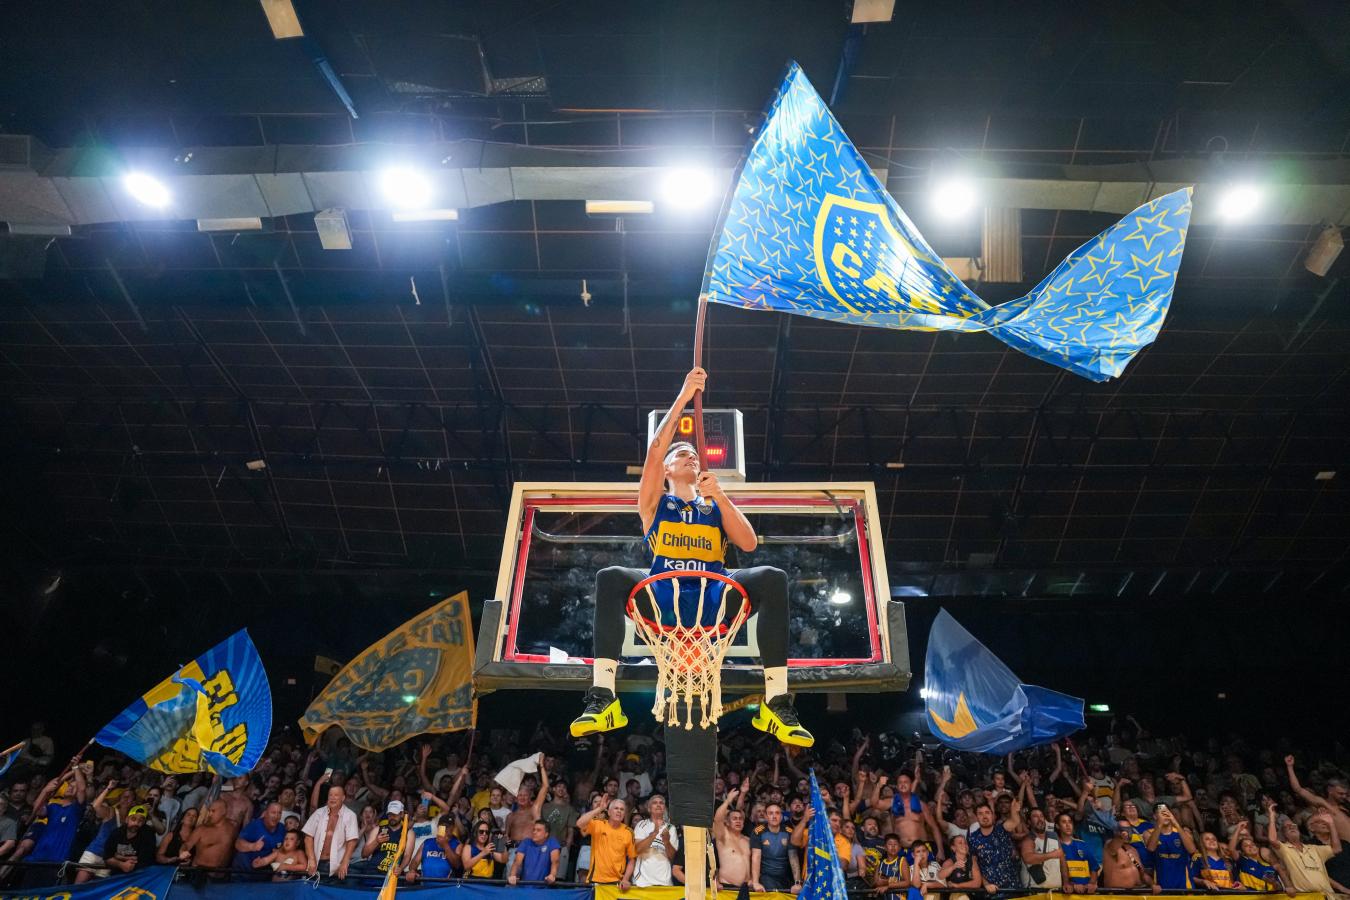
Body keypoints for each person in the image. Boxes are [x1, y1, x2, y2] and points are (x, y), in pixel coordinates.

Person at [569, 367, 812, 747]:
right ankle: (602, 697)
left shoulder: (714, 507)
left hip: (710, 601)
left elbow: (747, 543)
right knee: (611, 576)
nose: (691, 457)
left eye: (694, 455)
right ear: (667, 469)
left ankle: (776, 702)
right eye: (682, 454)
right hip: (663, 600)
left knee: (771, 577)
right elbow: (654, 450)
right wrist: (683, 397)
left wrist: (721, 496)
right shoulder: (654, 504)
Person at [1266, 798, 1343, 900]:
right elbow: (1272, 839)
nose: (1291, 827)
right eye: (1287, 827)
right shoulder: (1285, 849)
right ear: (1283, 835)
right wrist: (1272, 816)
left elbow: (1337, 849)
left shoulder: (1314, 849)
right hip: (1308, 897)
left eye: (1293, 825)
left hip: (1329, 896)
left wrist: (1331, 823)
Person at [301, 781, 360, 878]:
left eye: (336, 795)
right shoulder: (319, 813)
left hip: (336, 864)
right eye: (330, 795)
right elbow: (308, 837)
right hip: (315, 862)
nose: (332, 798)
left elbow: (352, 841)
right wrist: (311, 860)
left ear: (343, 798)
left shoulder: (350, 815)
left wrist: (344, 863)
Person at [577, 796, 635, 889]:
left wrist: (626, 878)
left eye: (622, 809)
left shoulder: (628, 832)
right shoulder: (598, 824)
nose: (619, 811)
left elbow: (632, 859)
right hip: (595, 880)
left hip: (617, 882)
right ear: (609, 812)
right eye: (616, 808)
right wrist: (599, 809)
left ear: (624, 814)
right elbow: (579, 823)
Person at [965, 798, 1022, 890]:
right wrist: (986, 884)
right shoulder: (973, 838)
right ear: (976, 817)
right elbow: (975, 865)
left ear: (992, 815)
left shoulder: (1001, 829)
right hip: (992, 891)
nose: (984, 816)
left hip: (1013, 887)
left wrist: (1014, 811)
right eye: (980, 813)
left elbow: (1014, 821)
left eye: (987, 812)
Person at [1145, 804, 1198, 890]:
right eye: (1161, 813)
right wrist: (1159, 824)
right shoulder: (1148, 833)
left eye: (1167, 812)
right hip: (1161, 884)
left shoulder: (1183, 832)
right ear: (1155, 816)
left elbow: (1192, 850)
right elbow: (1151, 848)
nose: (1165, 815)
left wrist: (1176, 823)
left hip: (1184, 884)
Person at [751, 801, 800, 893]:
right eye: (770, 813)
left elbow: (793, 857)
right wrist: (756, 882)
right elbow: (756, 857)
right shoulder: (758, 832)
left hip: (785, 877)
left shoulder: (789, 832)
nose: (774, 816)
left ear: (781, 816)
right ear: (766, 816)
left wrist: (797, 882)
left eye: (777, 813)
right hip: (766, 877)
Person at [632, 793, 678, 887]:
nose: (658, 805)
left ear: (664, 808)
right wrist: (654, 834)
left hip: (664, 880)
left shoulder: (671, 828)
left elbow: (672, 857)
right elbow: (637, 850)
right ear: (649, 808)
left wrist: (666, 842)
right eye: (655, 803)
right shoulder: (641, 825)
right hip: (642, 880)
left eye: (661, 803)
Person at [180, 800, 238, 871]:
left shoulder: (232, 828)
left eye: (213, 811)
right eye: (209, 811)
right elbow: (187, 844)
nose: (210, 814)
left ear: (223, 811)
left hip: (221, 874)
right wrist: (183, 851)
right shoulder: (202, 829)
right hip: (200, 871)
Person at [234, 802, 287, 875]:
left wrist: (279, 850)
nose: (276, 816)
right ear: (265, 813)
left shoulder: (282, 828)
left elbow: (285, 848)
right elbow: (238, 843)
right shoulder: (254, 825)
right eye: (273, 812)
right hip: (244, 871)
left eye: (279, 813)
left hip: (265, 872)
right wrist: (252, 846)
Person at [714, 789, 752, 889]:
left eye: (740, 819)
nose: (738, 821)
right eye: (734, 819)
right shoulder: (723, 837)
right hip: (727, 887)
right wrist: (727, 801)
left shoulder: (748, 840)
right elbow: (717, 819)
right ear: (727, 822)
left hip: (747, 888)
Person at [1053, 811, 1099, 894]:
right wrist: (1072, 884)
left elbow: (1094, 868)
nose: (1068, 825)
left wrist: (1092, 883)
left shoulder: (1082, 844)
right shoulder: (1054, 846)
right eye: (1064, 822)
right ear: (1057, 826)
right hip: (1065, 893)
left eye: (1070, 822)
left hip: (1086, 892)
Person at [103, 806, 158, 873]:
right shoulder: (117, 833)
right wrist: (121, 864)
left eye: (140, 821)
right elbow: (107, 858)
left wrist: (118, 857)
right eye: (133, 819)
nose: (136, 823)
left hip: (139, 875)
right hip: (116, 875)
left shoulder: (148, 835)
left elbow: (146, 860)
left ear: (144, 823)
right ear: (127, 819)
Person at [1101, 818, 1151, 890]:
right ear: (1116, 831)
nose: (1127, 832)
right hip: (1117, 894)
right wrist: (1121, 837)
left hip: (1137, 893)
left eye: (1129, 829)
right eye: (1122, 829)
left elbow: (1143, 874)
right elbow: (1113, 847)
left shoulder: (1133, 850)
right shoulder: (1109, 846)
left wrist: (1152, 884)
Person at [1019, 807, 1062, 890]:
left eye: (1041, 816)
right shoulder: (1028, 839)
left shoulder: (1054, 836)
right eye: (1035, 816)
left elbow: (1062, 862)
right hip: (1035, 891)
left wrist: (1066, 882)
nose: (1040, 819)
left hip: (1056, 891)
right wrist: (1052, 854)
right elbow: (1029, 858)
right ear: (1029, 822)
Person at [510, 819, 561, 884]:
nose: (534, 832)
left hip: (544, 889)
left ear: (546, 834)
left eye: (538, 830)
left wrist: (552, 875)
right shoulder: (526, 842)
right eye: (533, 830)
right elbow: (517, 862)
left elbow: (555, 861)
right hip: (524, 888)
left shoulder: (552, 842)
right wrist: (512, 875)